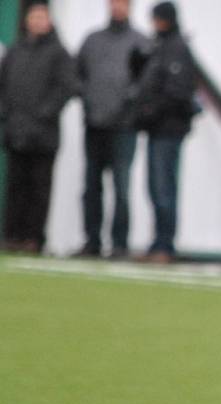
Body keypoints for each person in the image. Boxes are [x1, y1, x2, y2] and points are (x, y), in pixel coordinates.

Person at [0, 2, 76, 254]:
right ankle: (12, 235)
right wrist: (8, 116)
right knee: (16, 186)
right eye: (33, 16)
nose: (37, 21)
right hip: (16, 131)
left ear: (49, 20)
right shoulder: (15, 50)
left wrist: (43, 114)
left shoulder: (58, 53)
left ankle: (34, 238)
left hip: (44, 134)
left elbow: (66, 88)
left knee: (39, 188)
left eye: (42, 16)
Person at [75, 0, 147, 259]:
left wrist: (127, 104)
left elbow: (145, 82)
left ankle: (119, 244)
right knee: (91, 186)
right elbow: (77, 75)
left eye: (123, 3)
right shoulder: (93, 40)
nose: (118, 7)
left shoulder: (140, 42)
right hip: (94, 124)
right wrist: (88, 101)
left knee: (121, 187)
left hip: (124, 127)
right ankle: (91, 241)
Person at [130, 1, 197, 263]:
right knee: (156, 188)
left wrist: (150, 111)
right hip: (157, 130)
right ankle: (158, 242)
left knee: (163, 188)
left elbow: (177, 92)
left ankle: (165, 245)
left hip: (169, 129)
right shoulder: (159, 46)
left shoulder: (176, 48)